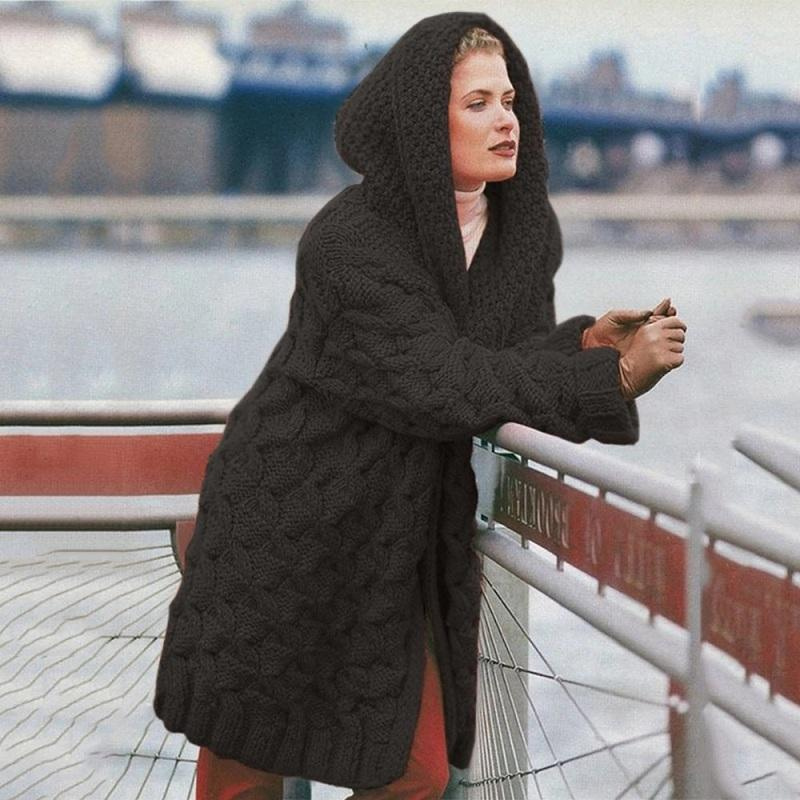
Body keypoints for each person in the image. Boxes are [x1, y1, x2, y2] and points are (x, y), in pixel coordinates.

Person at [153, 11, 686, 800]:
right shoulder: (349, 241)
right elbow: (439, 383)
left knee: (415, 772)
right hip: (285, 529)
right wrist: (604, 384)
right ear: (419, 121)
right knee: (247, 774)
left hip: (399, 545)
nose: (507, 119)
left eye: (510, 100)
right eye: (479, 103)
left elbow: (489, 371)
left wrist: (580, 350)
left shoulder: (521, 235)